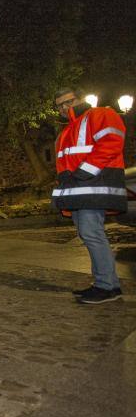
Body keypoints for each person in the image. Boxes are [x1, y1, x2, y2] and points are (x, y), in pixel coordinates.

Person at [52, 87, 127, 304]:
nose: (65, 107)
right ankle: (107, 284)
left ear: (79, 99)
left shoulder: (100, 114)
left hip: (94, 187)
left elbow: (112, 141)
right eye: (60, 105)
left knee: (91, 234)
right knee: (89, 234)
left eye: (69, 101)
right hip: (81, 191)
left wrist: (88, 169)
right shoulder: (67, 131)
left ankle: (107, 287)